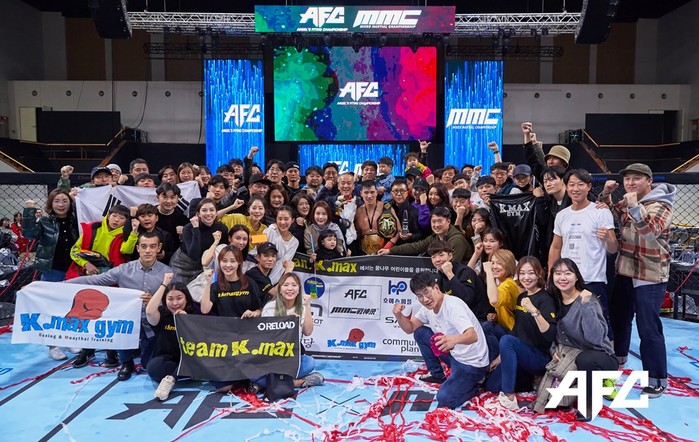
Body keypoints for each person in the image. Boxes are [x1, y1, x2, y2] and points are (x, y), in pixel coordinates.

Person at [599, 163, 676, 397]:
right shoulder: (628, 201)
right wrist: (606, 194)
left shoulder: (661, 205)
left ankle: (657, 378)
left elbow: (650, 232)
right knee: (620, 320)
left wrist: (633, 206)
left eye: (636, 178)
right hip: (625, 269)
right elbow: (610, 211)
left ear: (649, 181)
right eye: (627, 179)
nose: (631, 183)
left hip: (650, 274)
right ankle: (618, 363)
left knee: (648, 326)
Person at [67, 232, 174, 381]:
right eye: (144, 246)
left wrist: (155, 302)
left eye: (152, 246)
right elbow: (94, 280)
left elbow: (174, 301)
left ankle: (143, 354)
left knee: (148, 364)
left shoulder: (168, 273)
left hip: (152, 324)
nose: (148, 251)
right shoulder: (123, 270)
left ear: (159, 248)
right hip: (127, 322)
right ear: (138, 248)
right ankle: (126, 363)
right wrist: (58, 285)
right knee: (120, 325)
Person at [392, 272, 489, 409]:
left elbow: (473, 336)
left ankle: (476, 386)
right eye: (420, 296)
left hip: (472, 363)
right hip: (454, 354)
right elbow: (410, 328)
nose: (425, 299)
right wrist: (398, 315)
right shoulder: (427, 308)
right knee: (420, 333)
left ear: (436, 288)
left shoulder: (453, 306)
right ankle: (437, 374)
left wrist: (453, 339)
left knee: (444, 398)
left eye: (427, 292)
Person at [542, 258, 617, 418]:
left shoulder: (589, 300)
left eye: (568, 273)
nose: (562, 277)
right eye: (558, 273)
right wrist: (553, 349)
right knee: (552, 401)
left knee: (585, 359)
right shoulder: (553, 300)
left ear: (577, 277)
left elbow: (596, 338)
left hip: (598, 356)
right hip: (570, 354)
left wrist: (585, 306)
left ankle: (589, 403)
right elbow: (554, 331)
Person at [549, 169, 617, 338]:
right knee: (567, 324)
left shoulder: (601, 212)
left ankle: (608, 355)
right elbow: (556, 247)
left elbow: (613, 248)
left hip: (592, 279)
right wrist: (551, 274)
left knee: (601, 327)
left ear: (589, 187)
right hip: (566, 281)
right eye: (571, 184)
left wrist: (607, 238)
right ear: (566, 187)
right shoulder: (562, 215)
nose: (575, 189)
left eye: (580, 184)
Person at [489, 257, 557, 410]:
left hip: (540, 357)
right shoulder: (521, 297)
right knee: (492, 386)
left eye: (531, 273)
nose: (526, 277)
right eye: (522, 273)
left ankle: (509, 396)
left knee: (506, 340)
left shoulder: (546, 298)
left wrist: (534, 311)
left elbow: (550, 335)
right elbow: (517, 330)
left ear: (539, 274)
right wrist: (501, 357)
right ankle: (527, 381)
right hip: (522, 354)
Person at [25, 191, 80, 361]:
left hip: (73, 269)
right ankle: (53, 345)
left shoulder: (75, 220)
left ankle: (68, 338)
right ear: (51, 203)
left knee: (71, 306)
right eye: (57, 201)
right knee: (51, 307)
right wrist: (29, 211)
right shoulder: (44, 221)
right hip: (52, 270)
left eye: (65, 201)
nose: (61, 204)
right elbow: (28, 234)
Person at [200, 246, 262, 393]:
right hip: (225, 342)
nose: (228, 265)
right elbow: (205, 309)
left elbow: (260, 310)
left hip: (247, 340)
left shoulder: (249, 283)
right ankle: (244, 379)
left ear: (239, 262)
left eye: (233, 261)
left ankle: (249, 377)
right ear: (219, 262)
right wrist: (208, 283)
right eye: (224, 261)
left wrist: (254, 313)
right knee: (224, 387)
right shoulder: (216, 287)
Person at [250, 273, 324, 393]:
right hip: (271, 357)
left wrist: (308, 305)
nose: (290, 288)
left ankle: (265, 384)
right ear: (279, 289)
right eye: (286, 285)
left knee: (309, 362)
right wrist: (286, 321)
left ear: (299, 289)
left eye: (294, 285)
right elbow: (266, 338)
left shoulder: (302, 307)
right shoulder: (270, 307)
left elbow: (308, 331)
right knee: (251, 372)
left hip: (291, 357)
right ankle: (297, 382)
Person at [145, 272, 197, 401]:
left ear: (187, 299)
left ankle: (171, 379)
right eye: (170, 299)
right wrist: (164, 284)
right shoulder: (162, 314)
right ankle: (182, 374)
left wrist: (186, 321)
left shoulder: (194, 314)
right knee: (153, 367)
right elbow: (149, 312)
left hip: (190, 359)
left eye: (179, 298)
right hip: (168, 360)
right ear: (165, 300)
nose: (175, 303)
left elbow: (200, 340)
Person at [428, 240, 493, 323]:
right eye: (433, 257)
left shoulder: (465, 272)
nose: (437, 260)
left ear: (450, 256)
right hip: (456, 319)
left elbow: (466, 299)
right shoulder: (439, 276)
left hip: (478, 319)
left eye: (441, 255)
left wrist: (450, 274)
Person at [67, 204, 138, 279]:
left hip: (110, 277)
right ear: (108, 216)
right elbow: (74, 251)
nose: (116, 220)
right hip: (84, 274)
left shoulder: (125, 235)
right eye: (114, 216)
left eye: (122, 218)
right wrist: (86, 264)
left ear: (126, 221)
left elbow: (126, 250)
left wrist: (134, 233)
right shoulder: (93, 229)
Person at [379, 207, 470, 263]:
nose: (436, 225)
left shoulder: (457, 240)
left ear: (448, 221)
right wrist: (390, 251)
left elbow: (453, 264)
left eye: (440, 221)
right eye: (434, 221)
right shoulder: (435, 237)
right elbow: (416, 247)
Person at [170, 198, 228, 285]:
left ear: (216, 213)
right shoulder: (188, 228)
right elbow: (194, 254)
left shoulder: (222, 228)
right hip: (182, 264)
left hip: (204, 265)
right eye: (204, 210)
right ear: (199, 214)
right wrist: (196, 228)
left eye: (211, 210)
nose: (208, 213)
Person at [354, 180, 399, 255]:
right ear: (361, 193)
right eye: (366, 192)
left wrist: (388, 247)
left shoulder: (386, 208)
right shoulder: (357, 212)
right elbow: (357, 235)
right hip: (363, 255)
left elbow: (398, 231)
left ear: (377, 192)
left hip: (385, 254)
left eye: (372, 192)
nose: (369, 196)